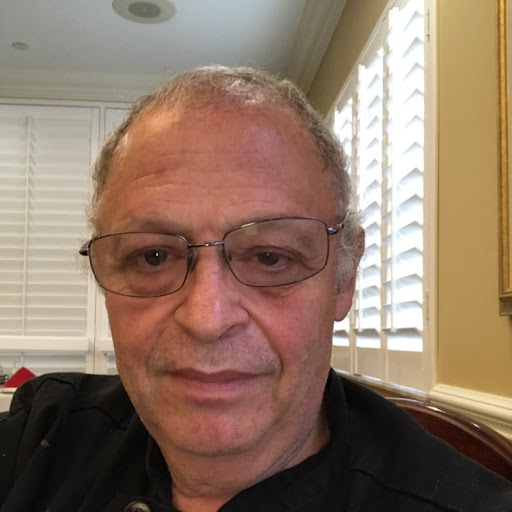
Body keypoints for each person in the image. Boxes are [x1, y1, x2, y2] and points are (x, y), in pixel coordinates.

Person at [0, 67, 510, 512]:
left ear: (345, 279)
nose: (207, 319)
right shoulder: (42, 436)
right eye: (153, 256)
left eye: (270, 257)